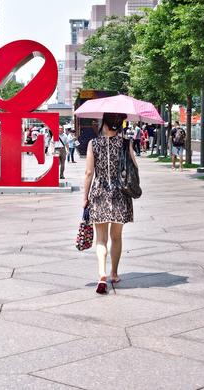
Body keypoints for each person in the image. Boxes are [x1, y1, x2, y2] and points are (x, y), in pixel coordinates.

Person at [82, 112, 136, 295]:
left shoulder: (93, 144)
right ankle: (114, 273)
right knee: (117, 237)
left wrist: (85, 197)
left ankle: (101, 274)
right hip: (120, 194)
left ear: (104, 123)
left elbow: (89, 173)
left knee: (101, 239)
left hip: (99, 193)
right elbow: (134, 168)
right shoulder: (126, 144)